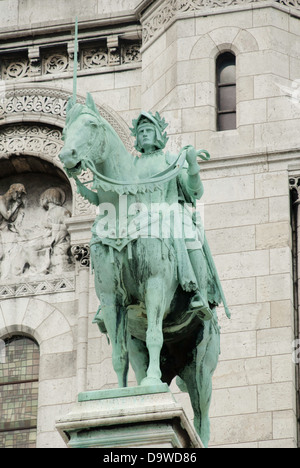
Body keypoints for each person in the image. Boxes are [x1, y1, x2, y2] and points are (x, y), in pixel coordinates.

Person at [130, 111, 218, 321]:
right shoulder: (132, 166)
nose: (144, 135)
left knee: (189, 235)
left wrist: (193, 166)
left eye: (148, 130)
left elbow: (193, 192)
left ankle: (200, 295)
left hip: (170, 213)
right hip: (138, 217)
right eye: (140, 131)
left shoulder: (171, 160)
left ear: (159, 135)